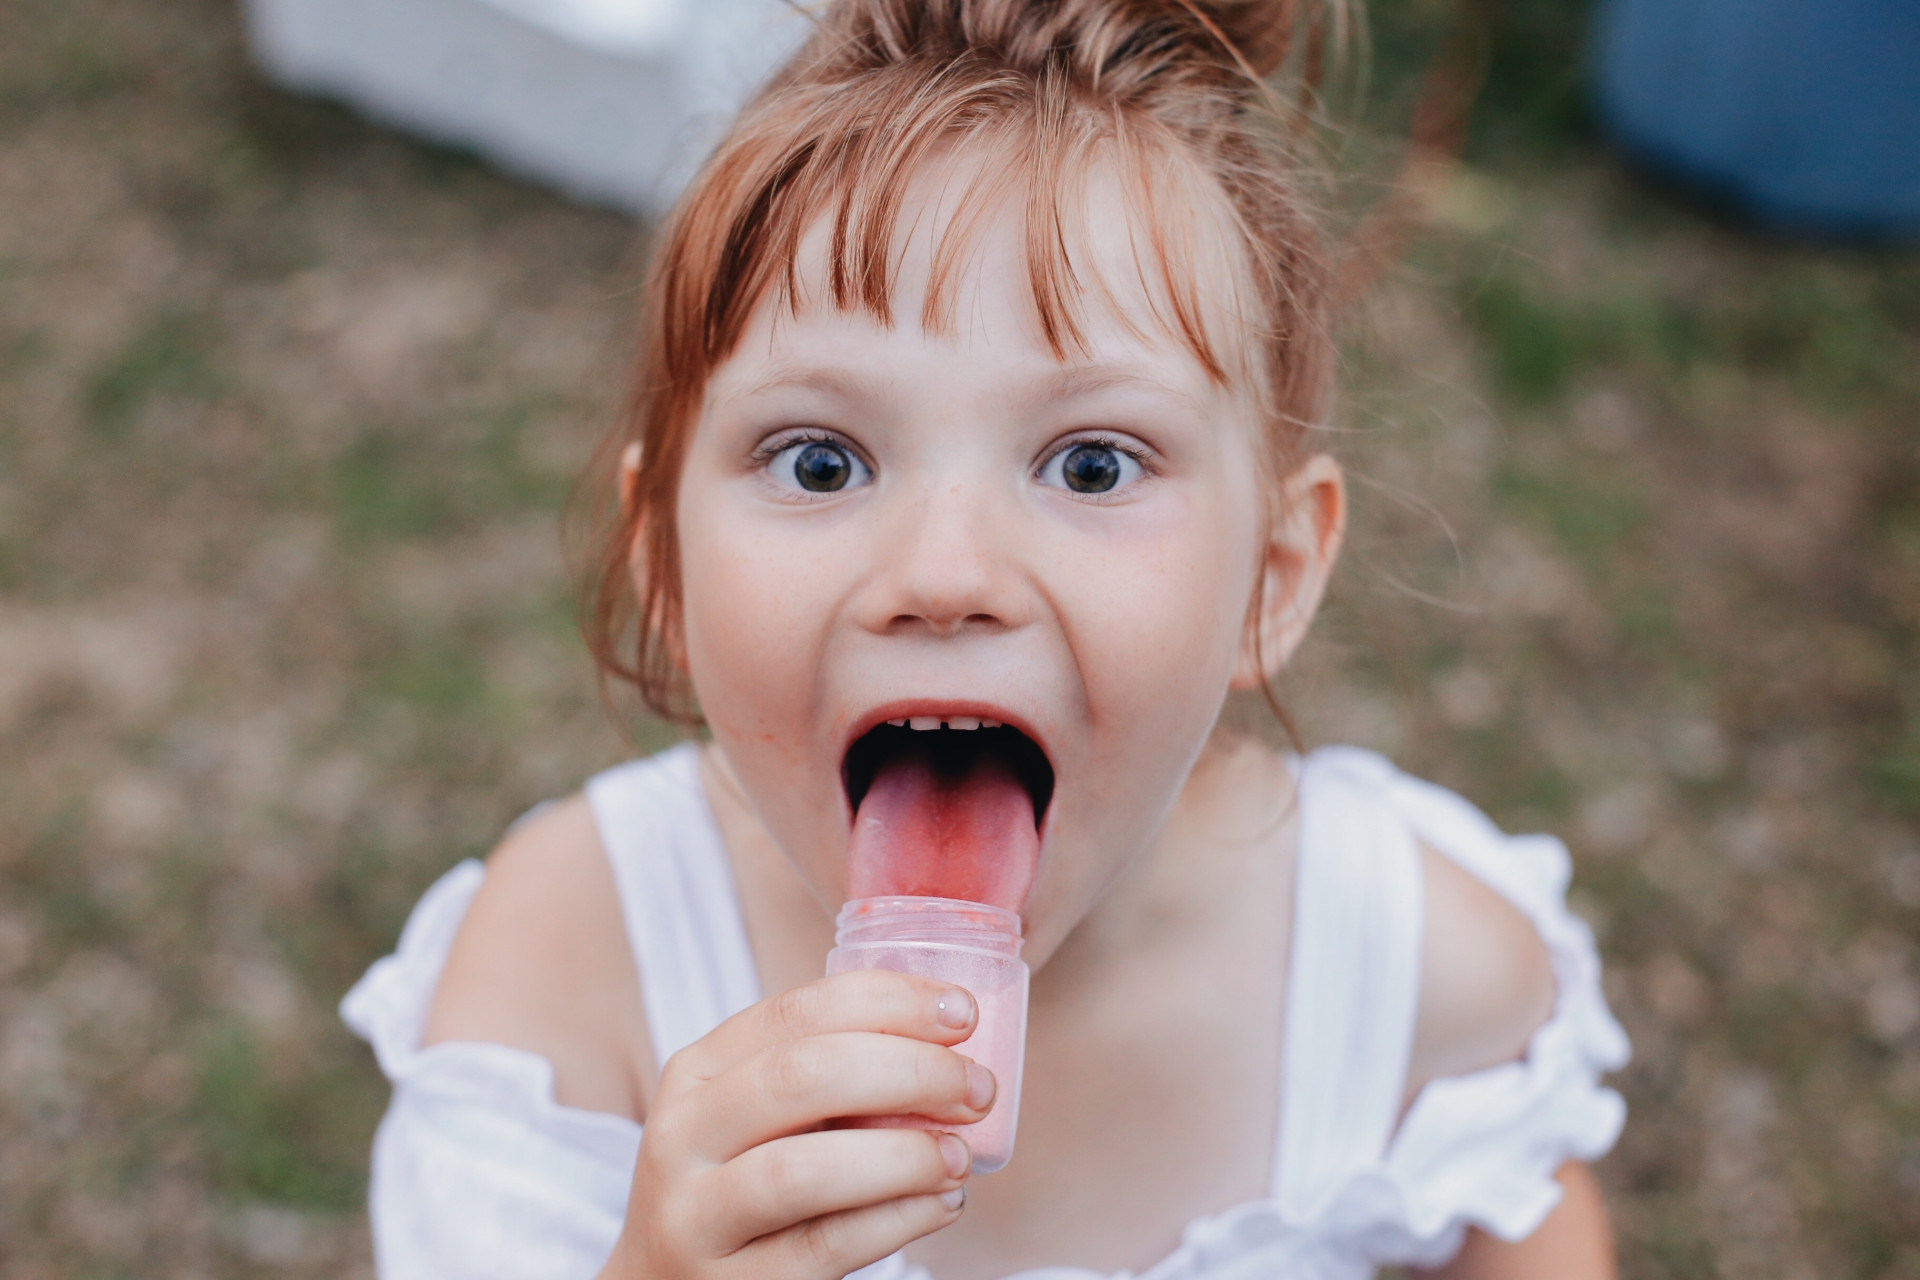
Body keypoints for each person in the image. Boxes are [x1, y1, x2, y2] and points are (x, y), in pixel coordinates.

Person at [340, 1, 1631, 1276]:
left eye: (1090, 465)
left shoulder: (1417, 975)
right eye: (822, 458)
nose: (943, 576)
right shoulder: (571, 972)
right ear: (665, 562)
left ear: (1271, 579)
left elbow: (1526, 1219)